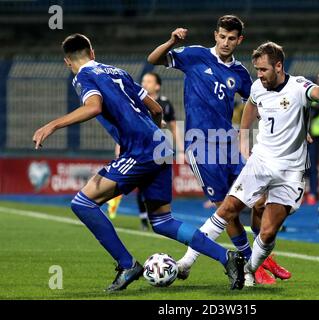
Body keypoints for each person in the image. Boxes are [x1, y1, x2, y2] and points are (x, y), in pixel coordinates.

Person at [32, 33, 246, 291]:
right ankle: (228, 257)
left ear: (68, 62)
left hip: (141, 150)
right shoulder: (117, 71)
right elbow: (156, 109)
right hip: (159, 146)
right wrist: (153, 137)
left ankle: (127, 265)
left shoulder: (83, 77)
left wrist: (52, 124)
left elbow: (93, 107)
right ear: (93, 52)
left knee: (83, 203)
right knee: (162, 221)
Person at [147, 15, 290, 285]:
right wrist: (171, 41)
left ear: (239, 40)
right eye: (222, 36)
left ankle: (254, 257)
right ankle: (250, 263)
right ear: (216, 35)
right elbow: (153, 59)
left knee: (259, 198)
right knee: (228, 208)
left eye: (231, 38)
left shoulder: (240, 74)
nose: (226, 42)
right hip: (201, 146)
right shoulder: (196, 55)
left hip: (229, 145)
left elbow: (259, 102)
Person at [201, 41, 319, 287]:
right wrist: (243, 136)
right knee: (232, 208)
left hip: (291, 170)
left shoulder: (298, 86)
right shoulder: (258, 87)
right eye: (257, 70)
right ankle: (186, 262)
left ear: (279, 66)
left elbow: (318, 94)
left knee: (269, 231)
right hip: (261, 161)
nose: (259, 74)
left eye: (263, 69)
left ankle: (251, 267)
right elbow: (251, 104)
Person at [107, 72, 184, 230]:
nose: (145, 83)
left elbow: (174, 127)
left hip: (160, 151)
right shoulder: (135, 101)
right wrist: (119, 147)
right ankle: (143, 219)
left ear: (157, 86)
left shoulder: (164, 104)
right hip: (139, 149)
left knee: (157, 186)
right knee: (140, 184)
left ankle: (160, 216)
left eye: (149, 81)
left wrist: (181, 149)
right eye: (143, 81)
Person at [306, 100, 319, 205]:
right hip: (303, 135)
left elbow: (315, 110)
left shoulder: (318, 98)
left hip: (314, 137)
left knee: (313, 166)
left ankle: (313, 193)